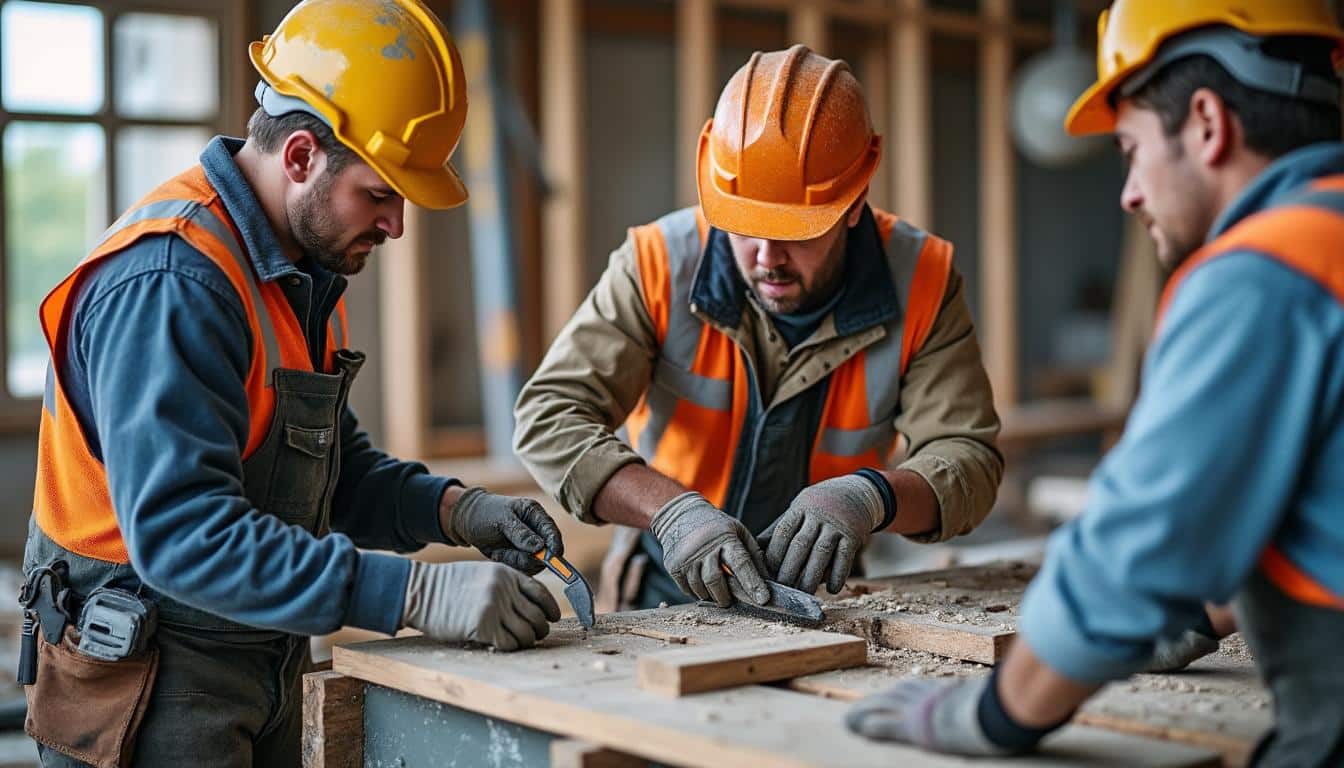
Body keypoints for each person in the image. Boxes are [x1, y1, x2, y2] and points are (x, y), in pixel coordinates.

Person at [23, 1, 563, 764]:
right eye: (379, 195)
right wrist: (415, 596)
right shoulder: (174, 282)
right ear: (302, 155)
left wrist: (456, 510)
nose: (396, 225)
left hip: (255, 660)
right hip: (147, 688)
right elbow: (183, 536)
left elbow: (320, 475)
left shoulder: (293, 276)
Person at [845, 2, 1344, 764]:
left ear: (1207, 123)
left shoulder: (1266, 273)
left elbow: (1133, 554)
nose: (1129, 193)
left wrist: (992, 714)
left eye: (1131, 148)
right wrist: (1205, 615)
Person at [514, 45, 1002, 612]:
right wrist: (671, 512)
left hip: (827, 596)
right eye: (742, 225)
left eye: (796, 232)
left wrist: (871, 497)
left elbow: (968, 458)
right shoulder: (657, 263)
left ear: (854, 200)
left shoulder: (923, 279)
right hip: (664, 590)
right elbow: (549, 416)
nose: (767, 257)